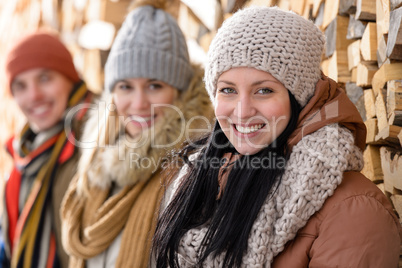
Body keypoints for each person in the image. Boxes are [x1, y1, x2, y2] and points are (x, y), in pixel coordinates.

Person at [152, 6, 402, 268]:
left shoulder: (355, 211)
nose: (242, 111)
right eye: (228, 90)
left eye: (264, 90)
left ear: (300, 98)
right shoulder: (198, 184)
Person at [59, 1, 213, 268]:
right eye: (126, 86)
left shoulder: (195, 173)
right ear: (112, 93)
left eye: (154, 85)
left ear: (180, 91)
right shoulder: (97, 168)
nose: (139, 102)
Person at [1, 31, 94, 268]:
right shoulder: (25, 150)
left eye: (44, 78)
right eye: (20, 85)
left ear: (70, 78)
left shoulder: (98, 141)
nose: (34, 95)